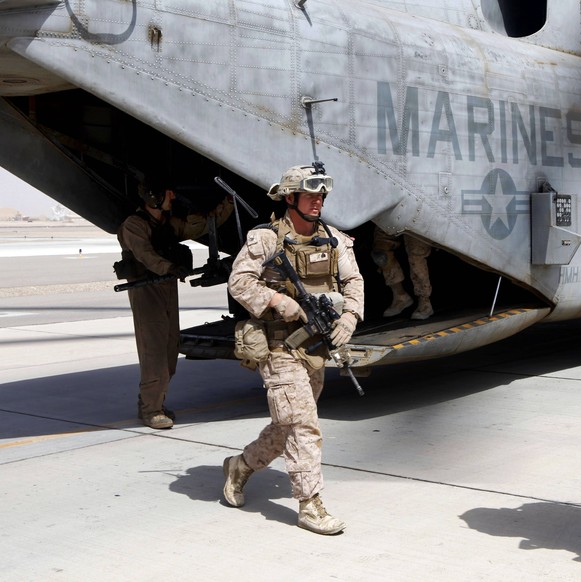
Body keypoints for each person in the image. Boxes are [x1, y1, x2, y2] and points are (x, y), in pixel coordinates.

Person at [221, 162, 364, 535]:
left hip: (313, 345)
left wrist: (350, 317)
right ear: (290, 197)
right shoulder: (267, 239)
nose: (318, 201)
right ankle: (310, 504)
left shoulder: (333, 239)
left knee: (287, 427)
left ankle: (242, 465)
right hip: (277, 345)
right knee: (303, 424)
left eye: (321, 195)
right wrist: (279, 302)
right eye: (310, 195)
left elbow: (353, 281)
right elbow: (239, 282)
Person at [116, 179, 234, 429]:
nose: (172, 196)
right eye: (167, 193)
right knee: (154, 351)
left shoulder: (166, 224)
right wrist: (170, 267)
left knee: (170, 350)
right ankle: (152, 410)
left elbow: (199, 226)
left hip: (167, 287)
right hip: (147, 291)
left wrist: (228, 205)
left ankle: (151, 401)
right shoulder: (134, 225)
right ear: (153, 197)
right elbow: (146, 256)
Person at [372, 226, 433, 319]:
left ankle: (425, 301)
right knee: (380, 253)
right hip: (387, 215)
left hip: (415, 216)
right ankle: (400, 297)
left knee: (416, 256)